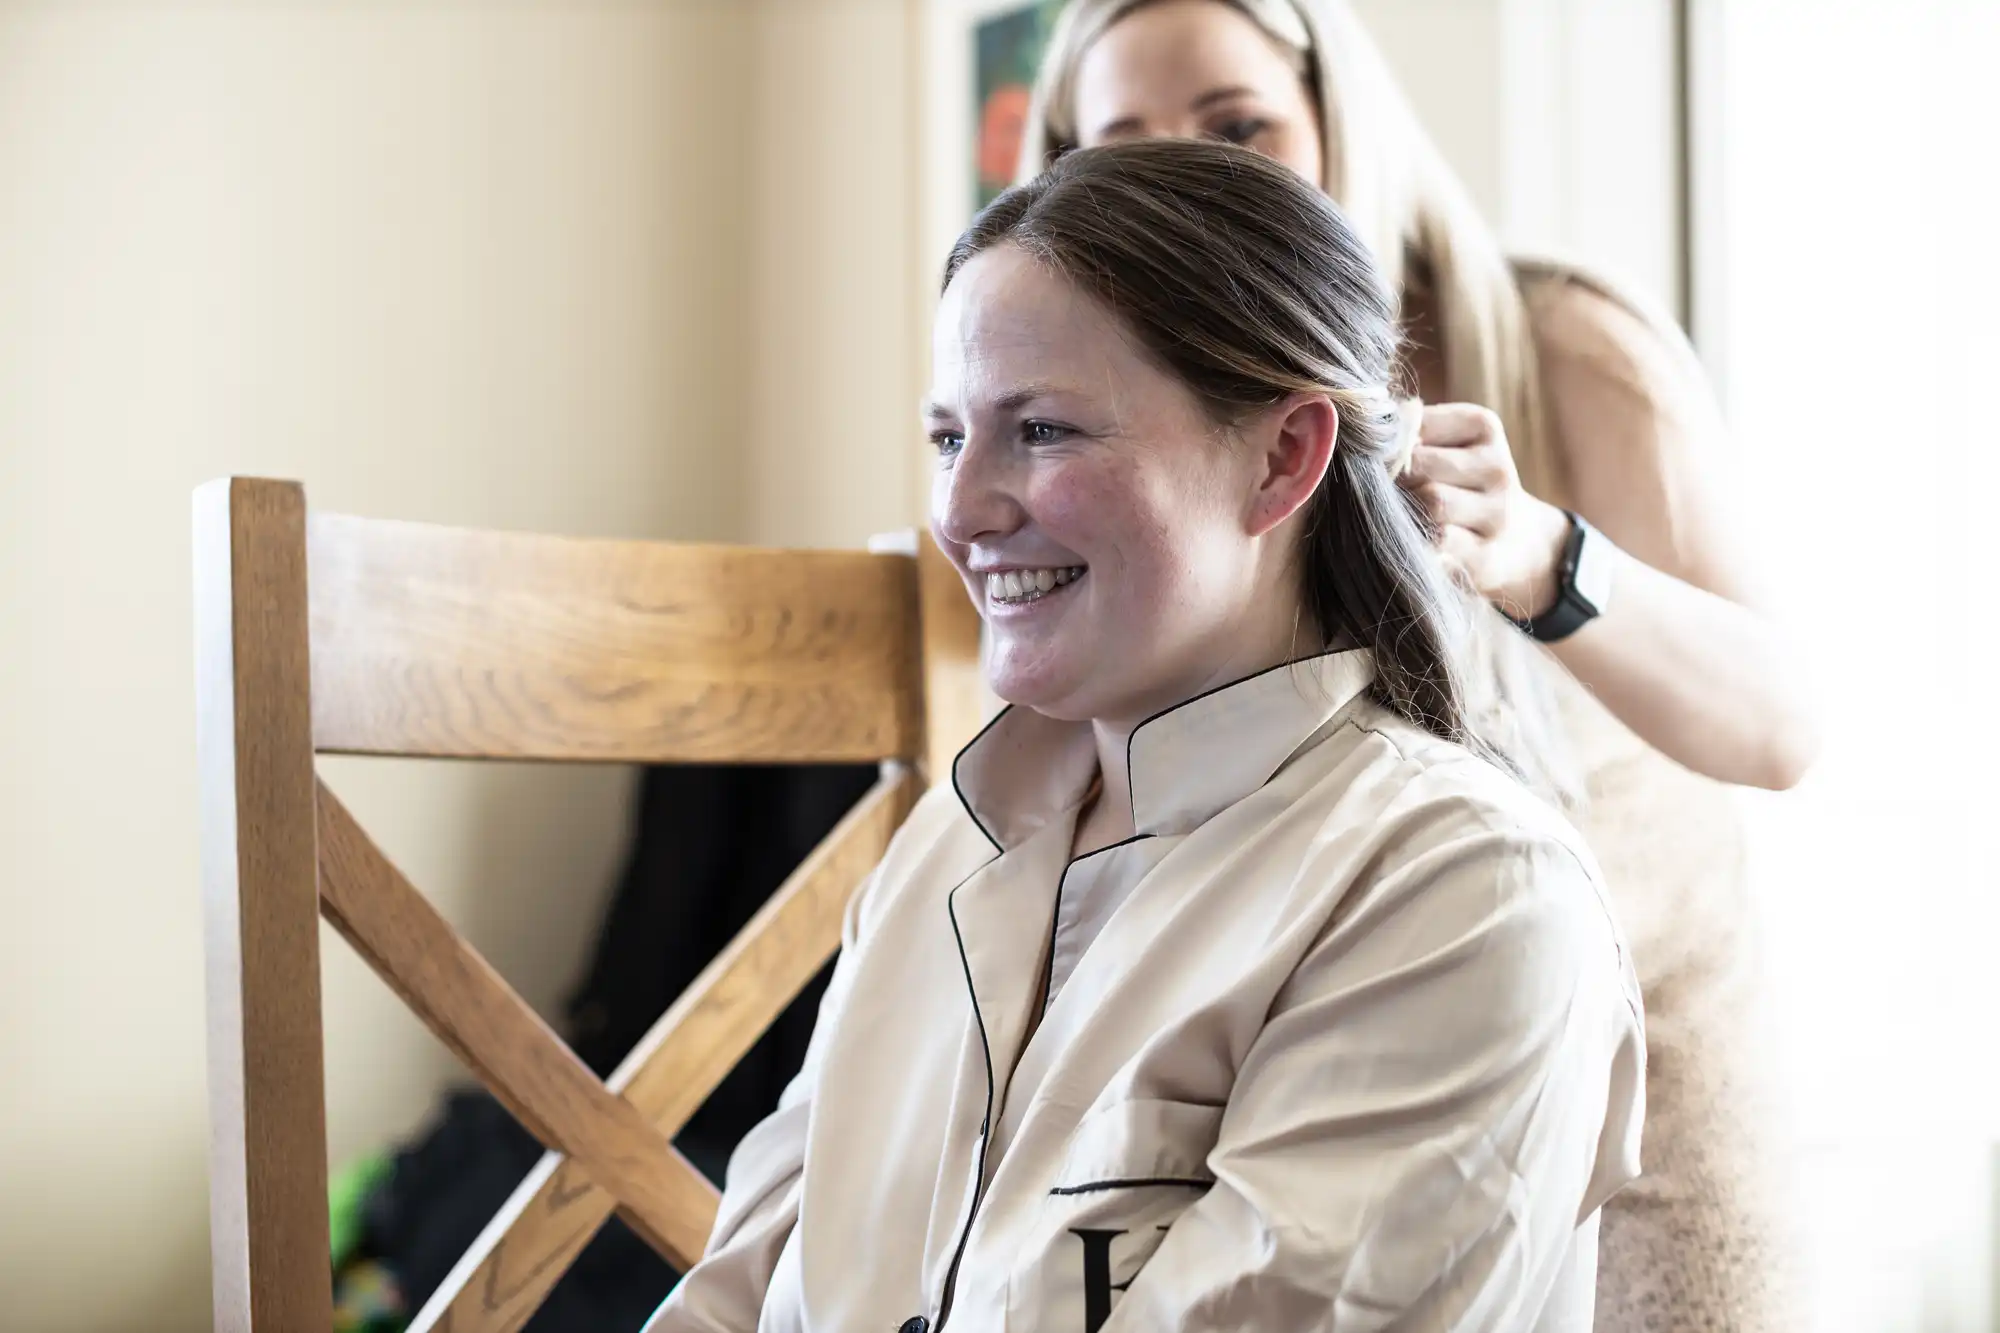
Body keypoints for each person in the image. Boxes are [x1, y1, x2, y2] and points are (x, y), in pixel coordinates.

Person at [644, 137, 1642, 1332]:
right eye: (949, 437)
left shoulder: (1462, 896)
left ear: (1281, 457)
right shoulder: (938, 856)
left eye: (1044, 431)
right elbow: (734, 1294)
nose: (960, 514)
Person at [1016, 1, 1817, 1327]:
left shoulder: (1558, 346)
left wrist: (1549, 561)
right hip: (1324, 1077)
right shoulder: (1124, 428)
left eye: (1240, 127)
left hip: (1644, 1069)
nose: (1200, 184)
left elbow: (1781, 728)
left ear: (1339, 118)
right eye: (1131, 148)